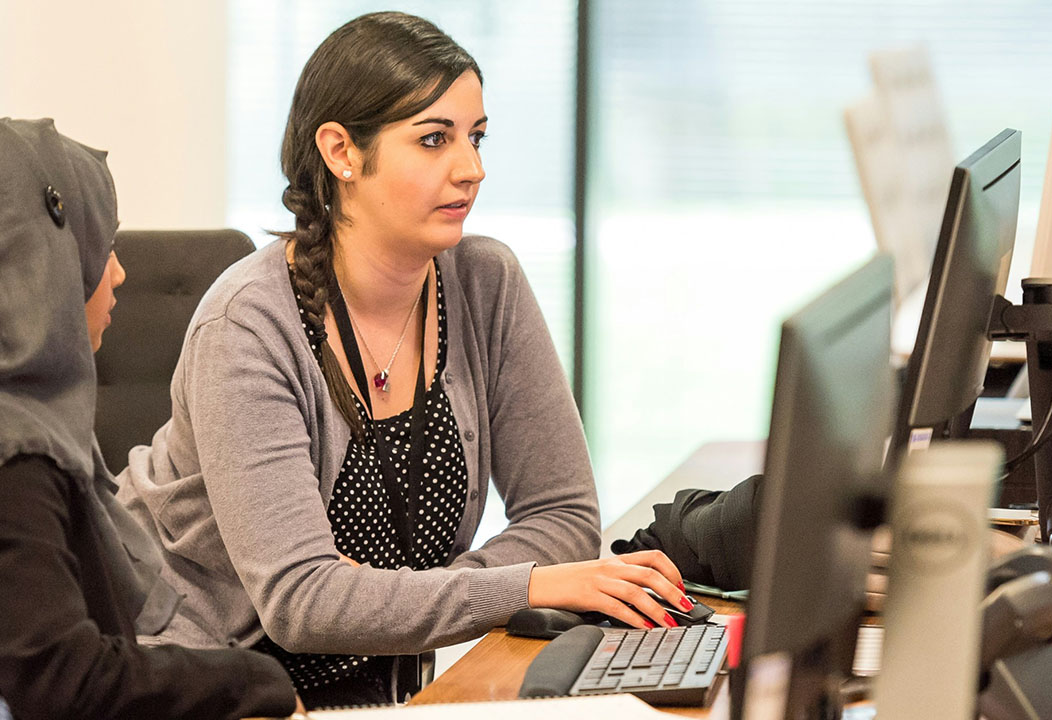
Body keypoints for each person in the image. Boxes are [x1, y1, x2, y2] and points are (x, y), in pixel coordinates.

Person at [116, 12, 691, 707]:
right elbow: (302, 602)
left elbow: (564, 516)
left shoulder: (485, 283)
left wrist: (387, 597)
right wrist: (525, 583)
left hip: (381, 687)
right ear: (341, 152)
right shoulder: (249, 325)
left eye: (475, 137)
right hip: (213, 685)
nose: (471, 168)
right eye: (433, 139)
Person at [0, 118, 299, 719]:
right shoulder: (19, 456)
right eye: (101, 248)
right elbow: (62, 680)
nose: (119, 273)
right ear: (48, 264)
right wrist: (255, 679)